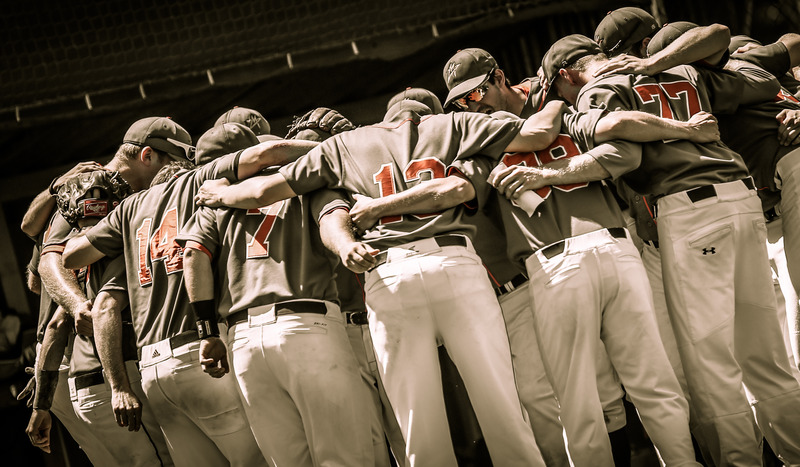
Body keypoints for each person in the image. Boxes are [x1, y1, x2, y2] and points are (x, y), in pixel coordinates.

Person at [192, 88, 579, 466]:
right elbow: (540, 132)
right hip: (453, 262)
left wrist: (221, 193)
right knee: (504, 412)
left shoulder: (343, 145)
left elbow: (262, 191)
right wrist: (557, 95)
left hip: (388, 273)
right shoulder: (450, 124)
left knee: (418, 429)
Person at [528, 33, 800, 466]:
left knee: (713, 365)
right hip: (742, 198)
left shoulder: (597, 89)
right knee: (765, 352)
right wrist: (664, 82)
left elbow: (615, 132)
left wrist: (677, 129)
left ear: (564, 76)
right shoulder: (678, 69)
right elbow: (757, 77)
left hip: (689, 208)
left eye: (556, 88)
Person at [61, 121, 320, 466]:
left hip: (153, 367)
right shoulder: (196, 183)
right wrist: (345, 148)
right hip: (199, 353)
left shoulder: (128, 211)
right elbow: (266, 154)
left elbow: (71, 256)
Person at [179, 164, 374, 465]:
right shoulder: (308, 184)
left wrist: (207, 333)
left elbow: (192, 255)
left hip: (242, 338)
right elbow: (333, 220)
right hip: (306, 323)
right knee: (345, 457)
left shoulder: (215, 198)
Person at [28, 170, 172, 465]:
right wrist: (119, 387)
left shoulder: (72, 259)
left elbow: (55, 326)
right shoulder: (123, 243)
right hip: (118, 378)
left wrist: (41, 406)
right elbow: (105, 308)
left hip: (82, 393)